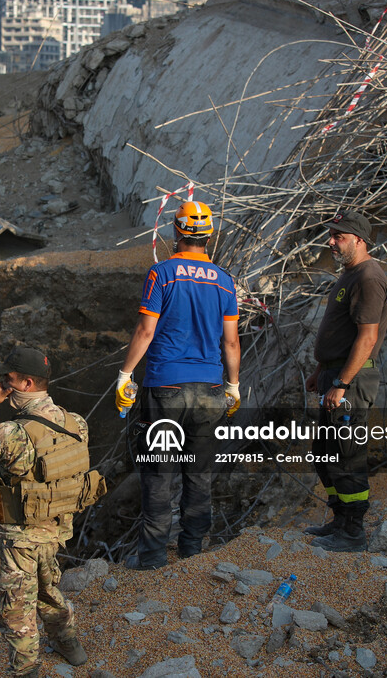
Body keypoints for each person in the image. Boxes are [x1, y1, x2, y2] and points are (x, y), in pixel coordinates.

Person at [115, 201, 241, 570]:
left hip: (166, 388)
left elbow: (145, 329)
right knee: (198, 474)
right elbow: (231, 342)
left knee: (159, 474)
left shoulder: (162, 274)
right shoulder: (225, 280)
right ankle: (192, 550)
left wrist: (125, 374)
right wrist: (232, 385)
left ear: (176, 232)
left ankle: (153, 557)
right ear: (209, 235)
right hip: (209, 389)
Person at [0, 346, 93, 678]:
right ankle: (68, 643)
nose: (3, 383)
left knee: (14, 606)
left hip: (16, 535)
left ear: (27, 383)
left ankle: (26, 669)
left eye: (8, 379)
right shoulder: (77, 423)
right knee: (48, 588)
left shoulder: (9, 434)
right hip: (56, 529)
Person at [304, 210, 387, 552]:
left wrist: (340, 382)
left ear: (359, 239)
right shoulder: (350, 275)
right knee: (324, 453)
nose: (331, 241)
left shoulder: (368, 276)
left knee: (346, 454)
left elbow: (366, 338)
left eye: (338, 236)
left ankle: (353, 532)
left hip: (351, 380)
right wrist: (321, 371)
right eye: (331, 235)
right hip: (335, 373)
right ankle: (340, 520)